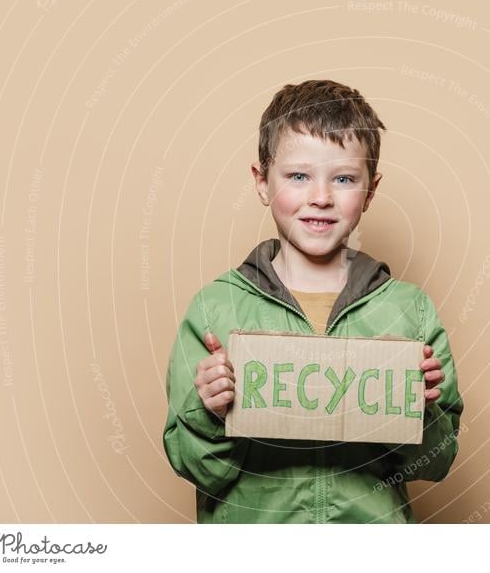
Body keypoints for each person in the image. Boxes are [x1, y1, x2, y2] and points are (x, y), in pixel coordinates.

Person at [162, 79, 464, 523]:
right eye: (298, 176)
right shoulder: (216, 310)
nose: (320, 197)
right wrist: (208, 411)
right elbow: (195, 467)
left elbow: (437, 464)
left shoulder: (407, 313)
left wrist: (425, 411)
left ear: (370, 191)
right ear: (262, 182)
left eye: (343, 178)